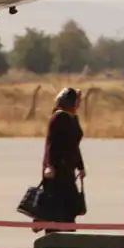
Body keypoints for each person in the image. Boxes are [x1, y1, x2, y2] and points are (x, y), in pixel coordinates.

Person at [40, 87, 86, 232]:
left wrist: (81, 166)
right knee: (57, 208)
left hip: (68, 170)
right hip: (56, 169)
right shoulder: (59, 117)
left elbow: (74, 145)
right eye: (77, 100)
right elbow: (50, 144)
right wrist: (49, 165)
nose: (79, 103)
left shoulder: (73, 118)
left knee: (69, 207)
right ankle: (53, 243)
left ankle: (68, 242)